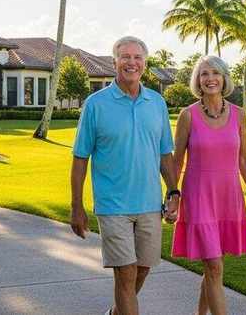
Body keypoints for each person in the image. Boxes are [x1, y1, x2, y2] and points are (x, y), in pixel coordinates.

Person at [70, 36, 179, 315]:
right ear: (114, 61)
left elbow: (165, 154)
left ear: (145, 63)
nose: (132, 62)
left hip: (149, 204)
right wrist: (76, 206)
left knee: (142, 269)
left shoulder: (157, 103)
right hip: (112, 206)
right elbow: (81, 157)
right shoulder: (96, 104)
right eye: (125, 57)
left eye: (137, 57)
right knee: (126, 272)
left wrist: (173, 192)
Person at [171, 55, 246, 315]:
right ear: (197, 81)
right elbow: (177, 161)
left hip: (228, 197)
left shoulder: (239, 115)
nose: (210, 78)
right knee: (213, 266)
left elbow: (243, 158)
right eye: (204, 74)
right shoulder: (188, 116)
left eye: (215, 73)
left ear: (224, 79)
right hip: (199, 197)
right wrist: (172, 198)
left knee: (215, 264)